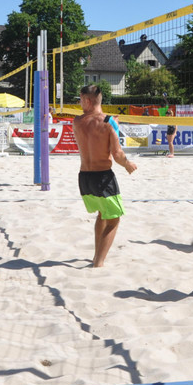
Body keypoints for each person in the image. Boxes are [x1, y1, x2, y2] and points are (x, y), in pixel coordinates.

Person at [71, 84, 137, 268]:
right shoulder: (108, 122)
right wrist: (128, 164)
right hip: (102, 177)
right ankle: (98, 263)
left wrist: (112, 123)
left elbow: (93, 130)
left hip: (84, 178)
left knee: (102, 214)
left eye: (80, 99)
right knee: (114, 221)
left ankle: (96, 256)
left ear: (87, 100)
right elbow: (117, 154)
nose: (79, 103)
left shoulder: (77, 122)